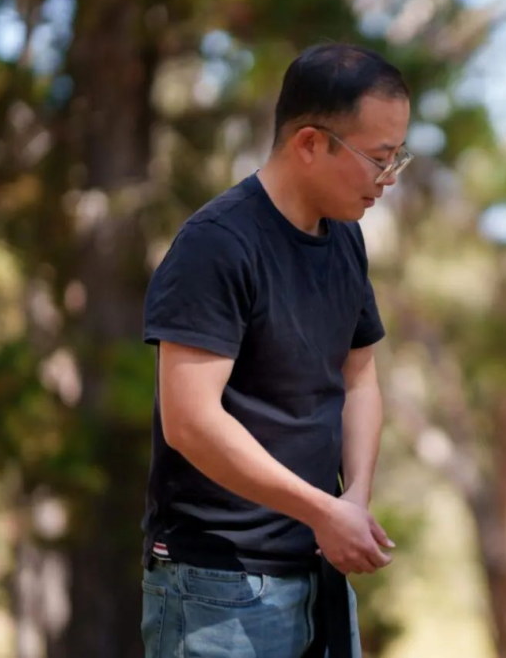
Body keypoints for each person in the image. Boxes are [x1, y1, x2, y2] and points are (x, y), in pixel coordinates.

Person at [139, 43, 413, 658]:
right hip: (217, 588)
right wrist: (322, 512)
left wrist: (354, 498)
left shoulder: (346, 240)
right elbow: (190, 421)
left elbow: (360, 377)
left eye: (398, 157)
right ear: (309, 143)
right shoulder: (216, 244)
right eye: (377, 159)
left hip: (318, 575)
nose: (389, 178)